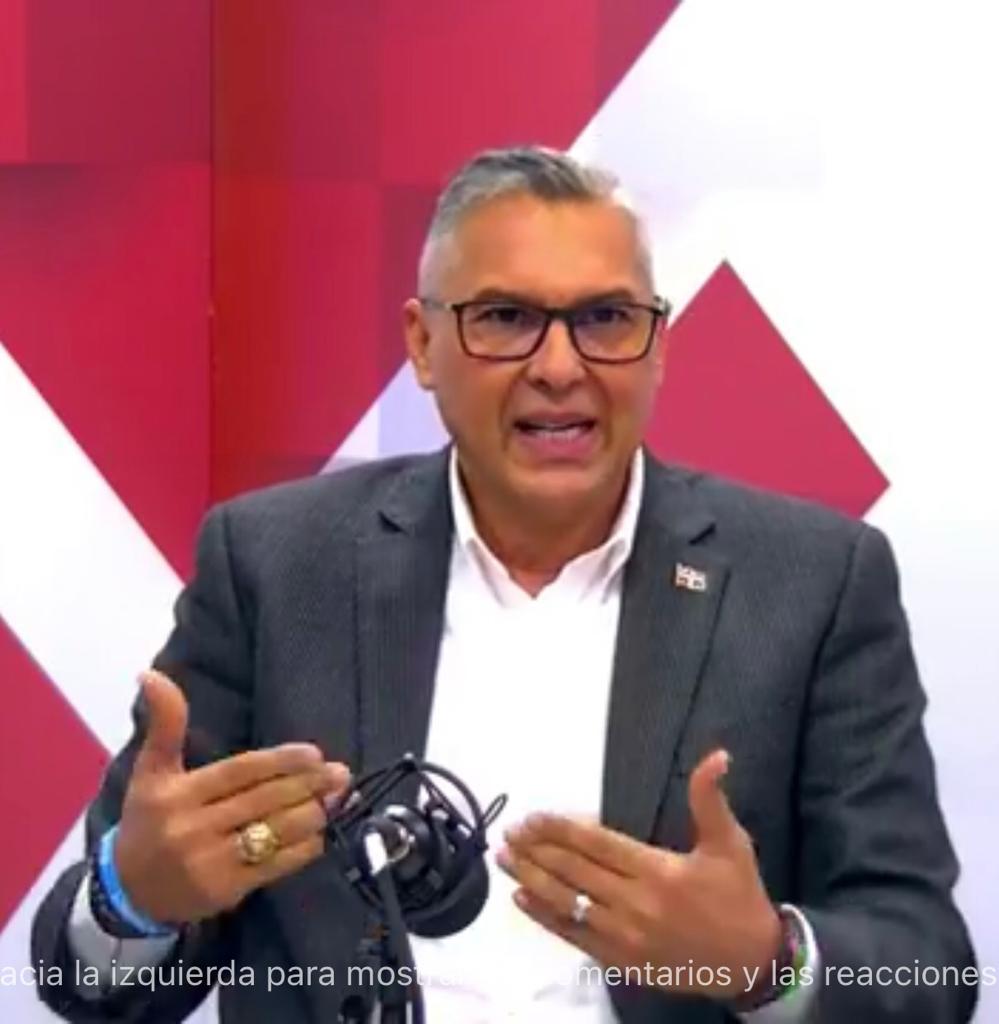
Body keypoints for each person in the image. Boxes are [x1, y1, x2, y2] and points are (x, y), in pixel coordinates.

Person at [32, 146, 977, 1023]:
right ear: (422, 344)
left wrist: (768, 964)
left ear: (657, 345)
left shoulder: (814, 582)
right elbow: (80, 980)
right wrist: (131, 902)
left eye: (605, 319)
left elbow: (929, 971)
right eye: (504, 319)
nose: (558, 368)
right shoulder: (275, 566)